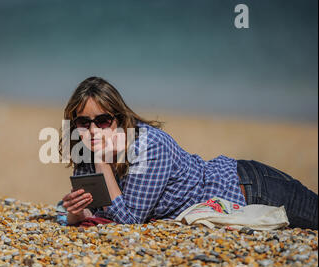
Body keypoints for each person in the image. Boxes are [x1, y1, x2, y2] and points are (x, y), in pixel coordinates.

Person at [59, 76, 318, 230]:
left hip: (249, 187)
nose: (93, 130)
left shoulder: (148, 146)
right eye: (84, 122)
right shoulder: (87, 152)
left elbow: (128, 222)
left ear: (119, 118)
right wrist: (76, 212)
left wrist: (103, 163)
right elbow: (96, 213)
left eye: (102, 120)